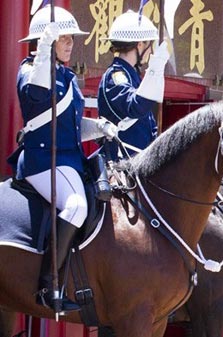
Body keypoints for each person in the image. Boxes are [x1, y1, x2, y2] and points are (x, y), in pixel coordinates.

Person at [15, 5, 90, 313]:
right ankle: (48, 284)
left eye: (72, 38)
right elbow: (34, 98)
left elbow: (70, 125)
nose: (70, 43)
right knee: (77, 207)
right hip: (41, 160)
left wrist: (101, 128)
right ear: (45, 41)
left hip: (68, 159)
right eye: (63, 38)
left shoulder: (66, 75)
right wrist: (44, 51)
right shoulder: (29, 70)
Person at [98, 10, 170, 159]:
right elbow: (135, 107)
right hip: (120, 163)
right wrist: (155, 71)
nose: (151, 51)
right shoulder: (116, 76)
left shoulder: (132, 75)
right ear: (140, 44)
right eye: (149, 45)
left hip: (140, 162)